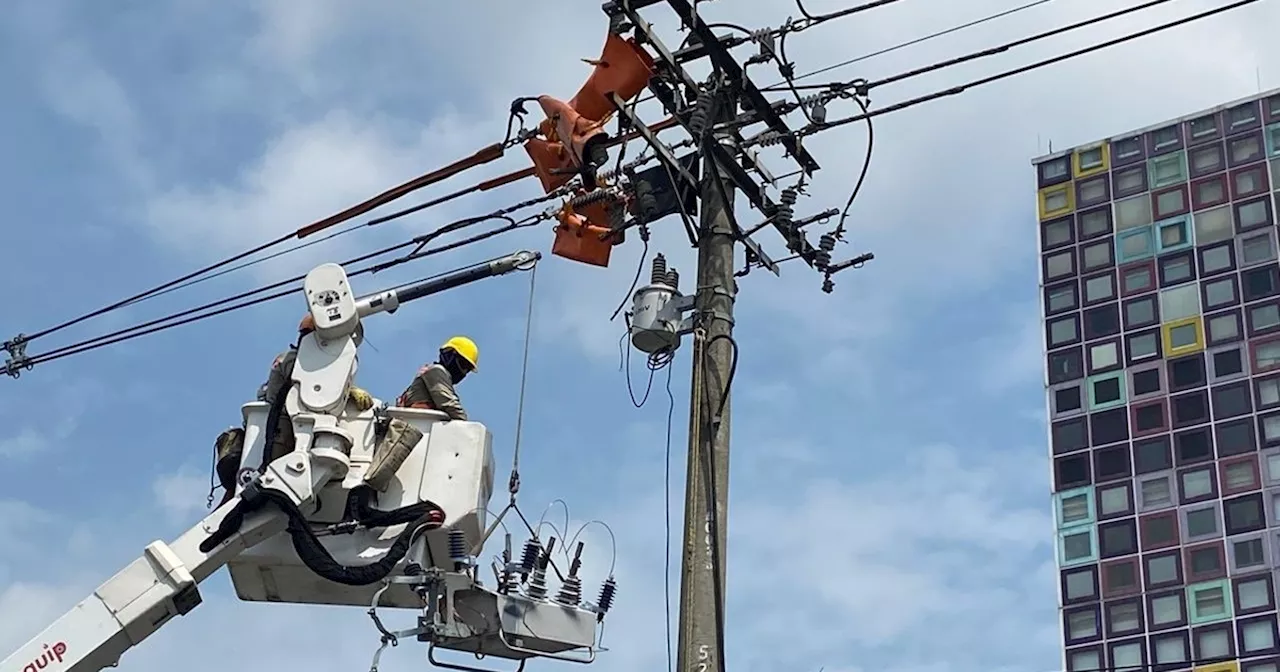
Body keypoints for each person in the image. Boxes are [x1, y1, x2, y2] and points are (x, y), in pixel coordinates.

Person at [213, 314, 373, 506]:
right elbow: (304, 380)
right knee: (271, 481)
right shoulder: (292, 359)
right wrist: (351, 391)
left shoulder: (320, 366)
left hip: (301, 425)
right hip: (279, 425)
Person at [395, 336, 478, 420]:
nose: (464, 372)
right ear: (449, 356)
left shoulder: (435, 374)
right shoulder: (437, 371)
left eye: (467, 370)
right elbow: (450, 405)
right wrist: (468, 427)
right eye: (463, 365)